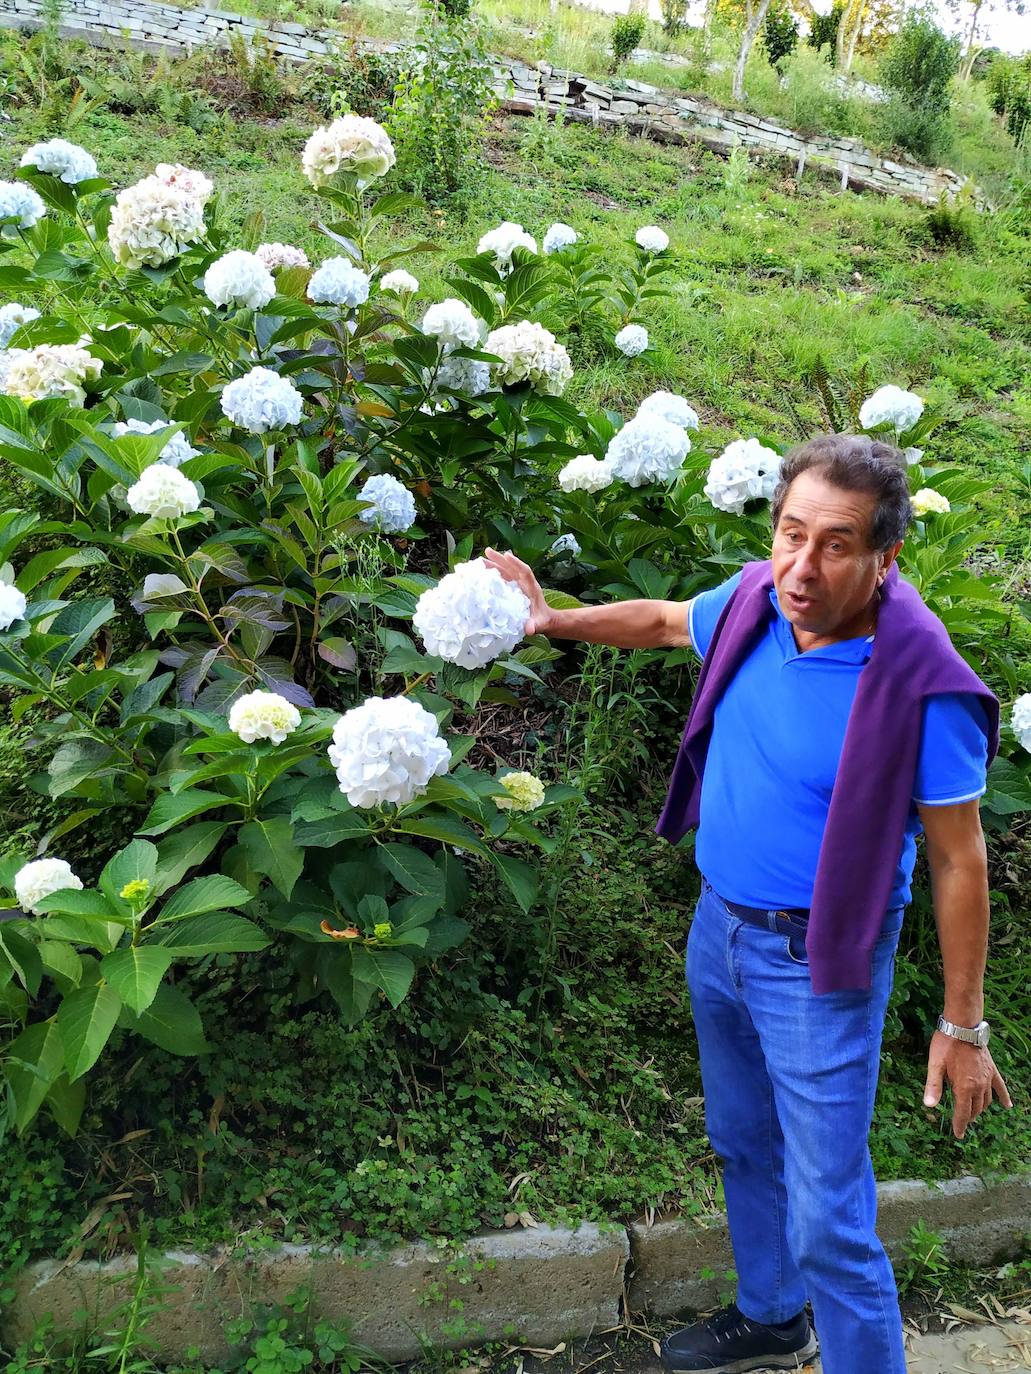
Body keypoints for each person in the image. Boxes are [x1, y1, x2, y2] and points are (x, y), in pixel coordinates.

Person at [484, 434, 1012, 1374]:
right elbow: (657, 621)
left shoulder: (919, 684)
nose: (801, 567)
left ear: (885, 558)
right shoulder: (753, 603)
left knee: (831, 1218)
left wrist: (961, 1026)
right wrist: (549, 620)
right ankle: (772, 1317)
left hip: (819, 962)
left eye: (835, 545)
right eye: (789, 534)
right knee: (740, 1139)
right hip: (718, 928)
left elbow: (956, 859)